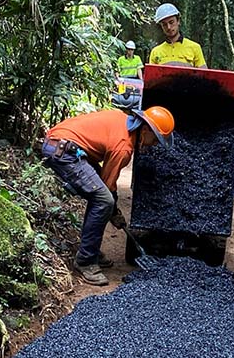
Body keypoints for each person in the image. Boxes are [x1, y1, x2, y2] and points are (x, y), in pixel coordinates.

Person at [41, 106, 175, 286]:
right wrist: (113, 212)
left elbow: (104, 183)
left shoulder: (122, 119)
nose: (154, 145)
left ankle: (90, 250)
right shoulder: (124, 147)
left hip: (66, 146)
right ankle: (85, 261)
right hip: (63, 151)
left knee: (101, 197)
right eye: (156, 139)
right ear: (145, 129)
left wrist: (114, 211)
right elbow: (107, 185)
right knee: (104, 200)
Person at [149, 3, 207, 68]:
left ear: (178, 21)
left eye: (171, 22)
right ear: (161, 26)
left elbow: (204, 75)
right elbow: (152, 77)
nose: (168, 27)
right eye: (164, 24)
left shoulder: (195, 48)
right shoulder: (155, 52)